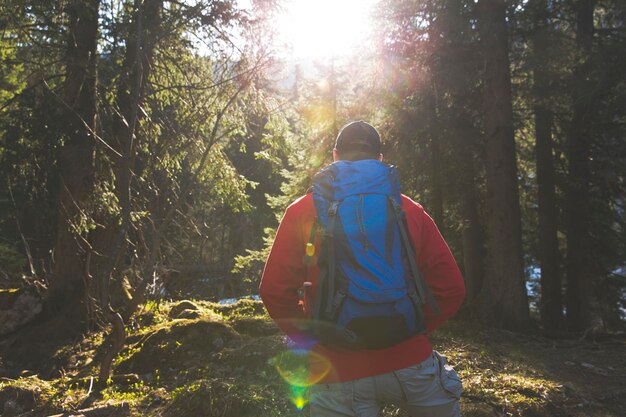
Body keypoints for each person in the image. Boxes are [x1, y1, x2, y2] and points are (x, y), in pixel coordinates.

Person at [259, 120, 466, 417]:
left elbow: (273, 290)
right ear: (379, 160)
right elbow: (452, 289)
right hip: (411, 362)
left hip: (337, 372)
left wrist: (315, 335)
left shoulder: (302, 211)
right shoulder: (409, 209)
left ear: (334, 156)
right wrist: (412, 327)